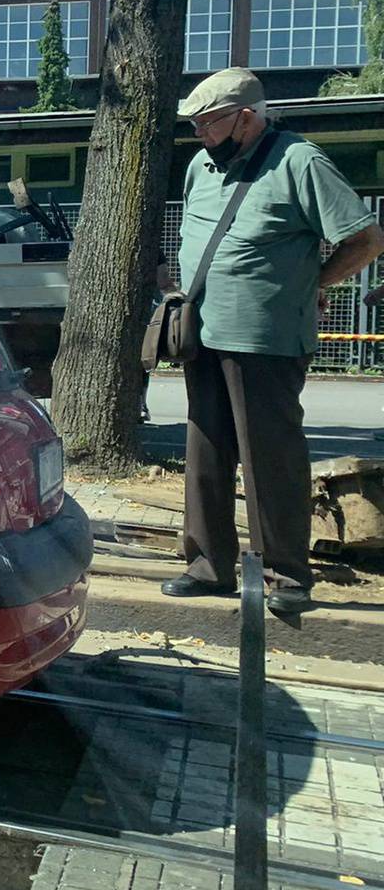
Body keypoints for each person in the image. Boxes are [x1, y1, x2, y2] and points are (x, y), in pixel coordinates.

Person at [159, 68, 384, 617]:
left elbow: (365, 238)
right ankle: (208, 566)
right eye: (194, 123)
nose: (200, 133)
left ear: (247, 116)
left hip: (268, 336)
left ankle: (285, 573)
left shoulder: (300, 161)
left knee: (270, 457)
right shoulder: (200, 166)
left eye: (209, 122)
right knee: (205, 452)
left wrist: (314, 282)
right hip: (202, 332)